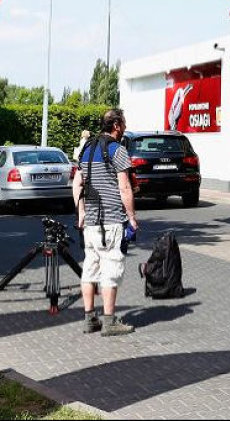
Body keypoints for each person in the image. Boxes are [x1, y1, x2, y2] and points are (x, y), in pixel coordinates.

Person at [72, 109, 137, 336]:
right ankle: (109, 322)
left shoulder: (86, 149)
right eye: (124, 123)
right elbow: (125, 187)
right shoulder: (117, 150)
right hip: (111, 222)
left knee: (90, 269)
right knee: (111, 269)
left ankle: (90, 319)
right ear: (117, 125)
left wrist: (80, 212)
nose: (125, 128)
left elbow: (77, 185)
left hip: (90, 222)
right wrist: (131, 217)